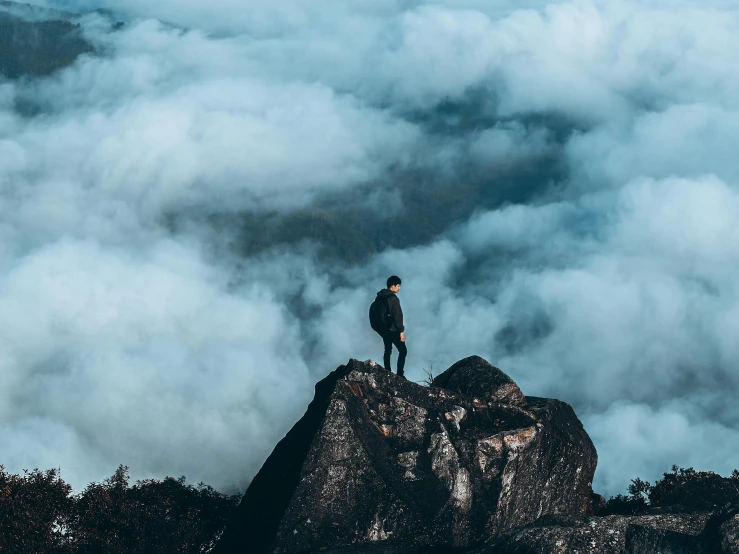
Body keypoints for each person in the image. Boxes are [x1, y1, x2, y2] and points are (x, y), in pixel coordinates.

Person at [373, 275, 407, 377]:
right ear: (393, 286)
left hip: (382, 329)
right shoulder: (393, 299)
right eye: (398, 286)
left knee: (388, 349)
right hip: (392, 329)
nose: (399, 288)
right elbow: (398, 316)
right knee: (403, 351)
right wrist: (401, 331)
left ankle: (387, 372)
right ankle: (400, 374)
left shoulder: (380, 296)